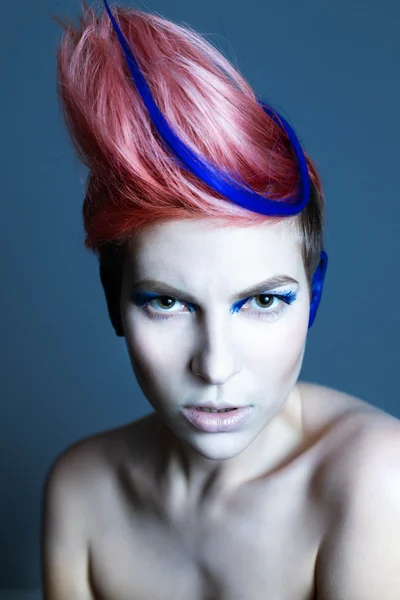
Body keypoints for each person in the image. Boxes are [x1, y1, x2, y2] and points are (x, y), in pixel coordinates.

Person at [41, 1, 400, 598]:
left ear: (312, 299)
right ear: (114, 300)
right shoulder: (81, 492)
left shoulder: (375, 479)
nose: (215, 366)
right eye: (168, 303)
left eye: (261, 302)